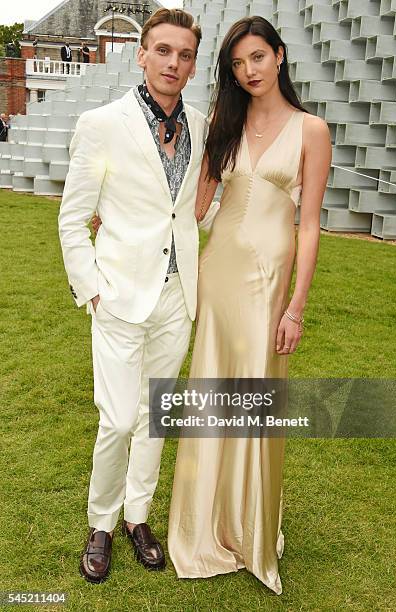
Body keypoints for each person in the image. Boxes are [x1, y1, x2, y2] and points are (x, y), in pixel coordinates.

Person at [167, 16, 331, 594]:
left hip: (269, 281)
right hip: (220, 273)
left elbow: (308, 227)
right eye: (237, 64)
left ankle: (251, 530)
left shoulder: (312, 130)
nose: (248, 71)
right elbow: (195, 202)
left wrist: (296, 306)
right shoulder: (225, 121)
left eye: (257, 57)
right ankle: (203, 527)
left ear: (280, 56)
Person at [58, 8, 208, 584]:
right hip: (118, 296)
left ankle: (137, 517)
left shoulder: (199, 121)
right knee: (118, 419)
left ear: (193, 65)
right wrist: (92, 288)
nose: (174, 63)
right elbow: (73, 219)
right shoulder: (103, 124)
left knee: (155, 418)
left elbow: (194, 206)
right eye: (164, 51)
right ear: (142, 55)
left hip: (177, 296)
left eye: (185, 54)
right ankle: (100, 522)